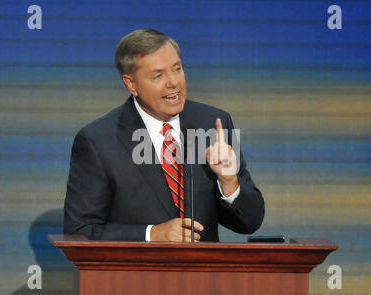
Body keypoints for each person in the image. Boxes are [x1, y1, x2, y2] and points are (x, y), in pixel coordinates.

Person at [64, 29, 264, 242]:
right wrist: (152, 234)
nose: (173, 83)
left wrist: (229, 182)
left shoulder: (213, 125)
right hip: (134, 274)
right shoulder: (99, 141)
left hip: (203, 273)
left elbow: (250, 222)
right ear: (131, 84)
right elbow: (80, 230)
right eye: (158, 75)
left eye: (177, 69)